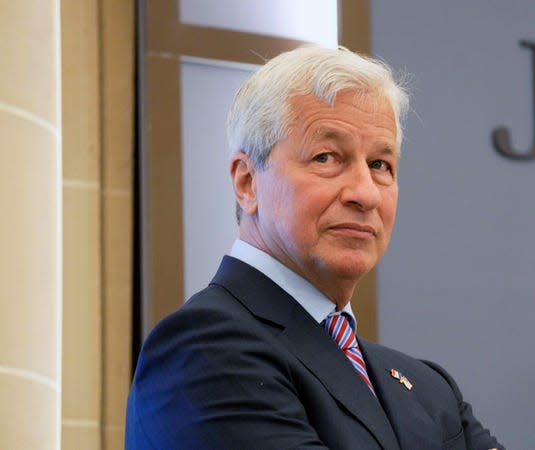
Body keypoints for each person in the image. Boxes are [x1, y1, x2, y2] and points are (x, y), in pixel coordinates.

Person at [125, 45, 504, 450]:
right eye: (327, 157)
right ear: (247, 182)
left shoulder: (430, 391)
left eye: (380, 165)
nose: (365, 193)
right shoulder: (203, 349)